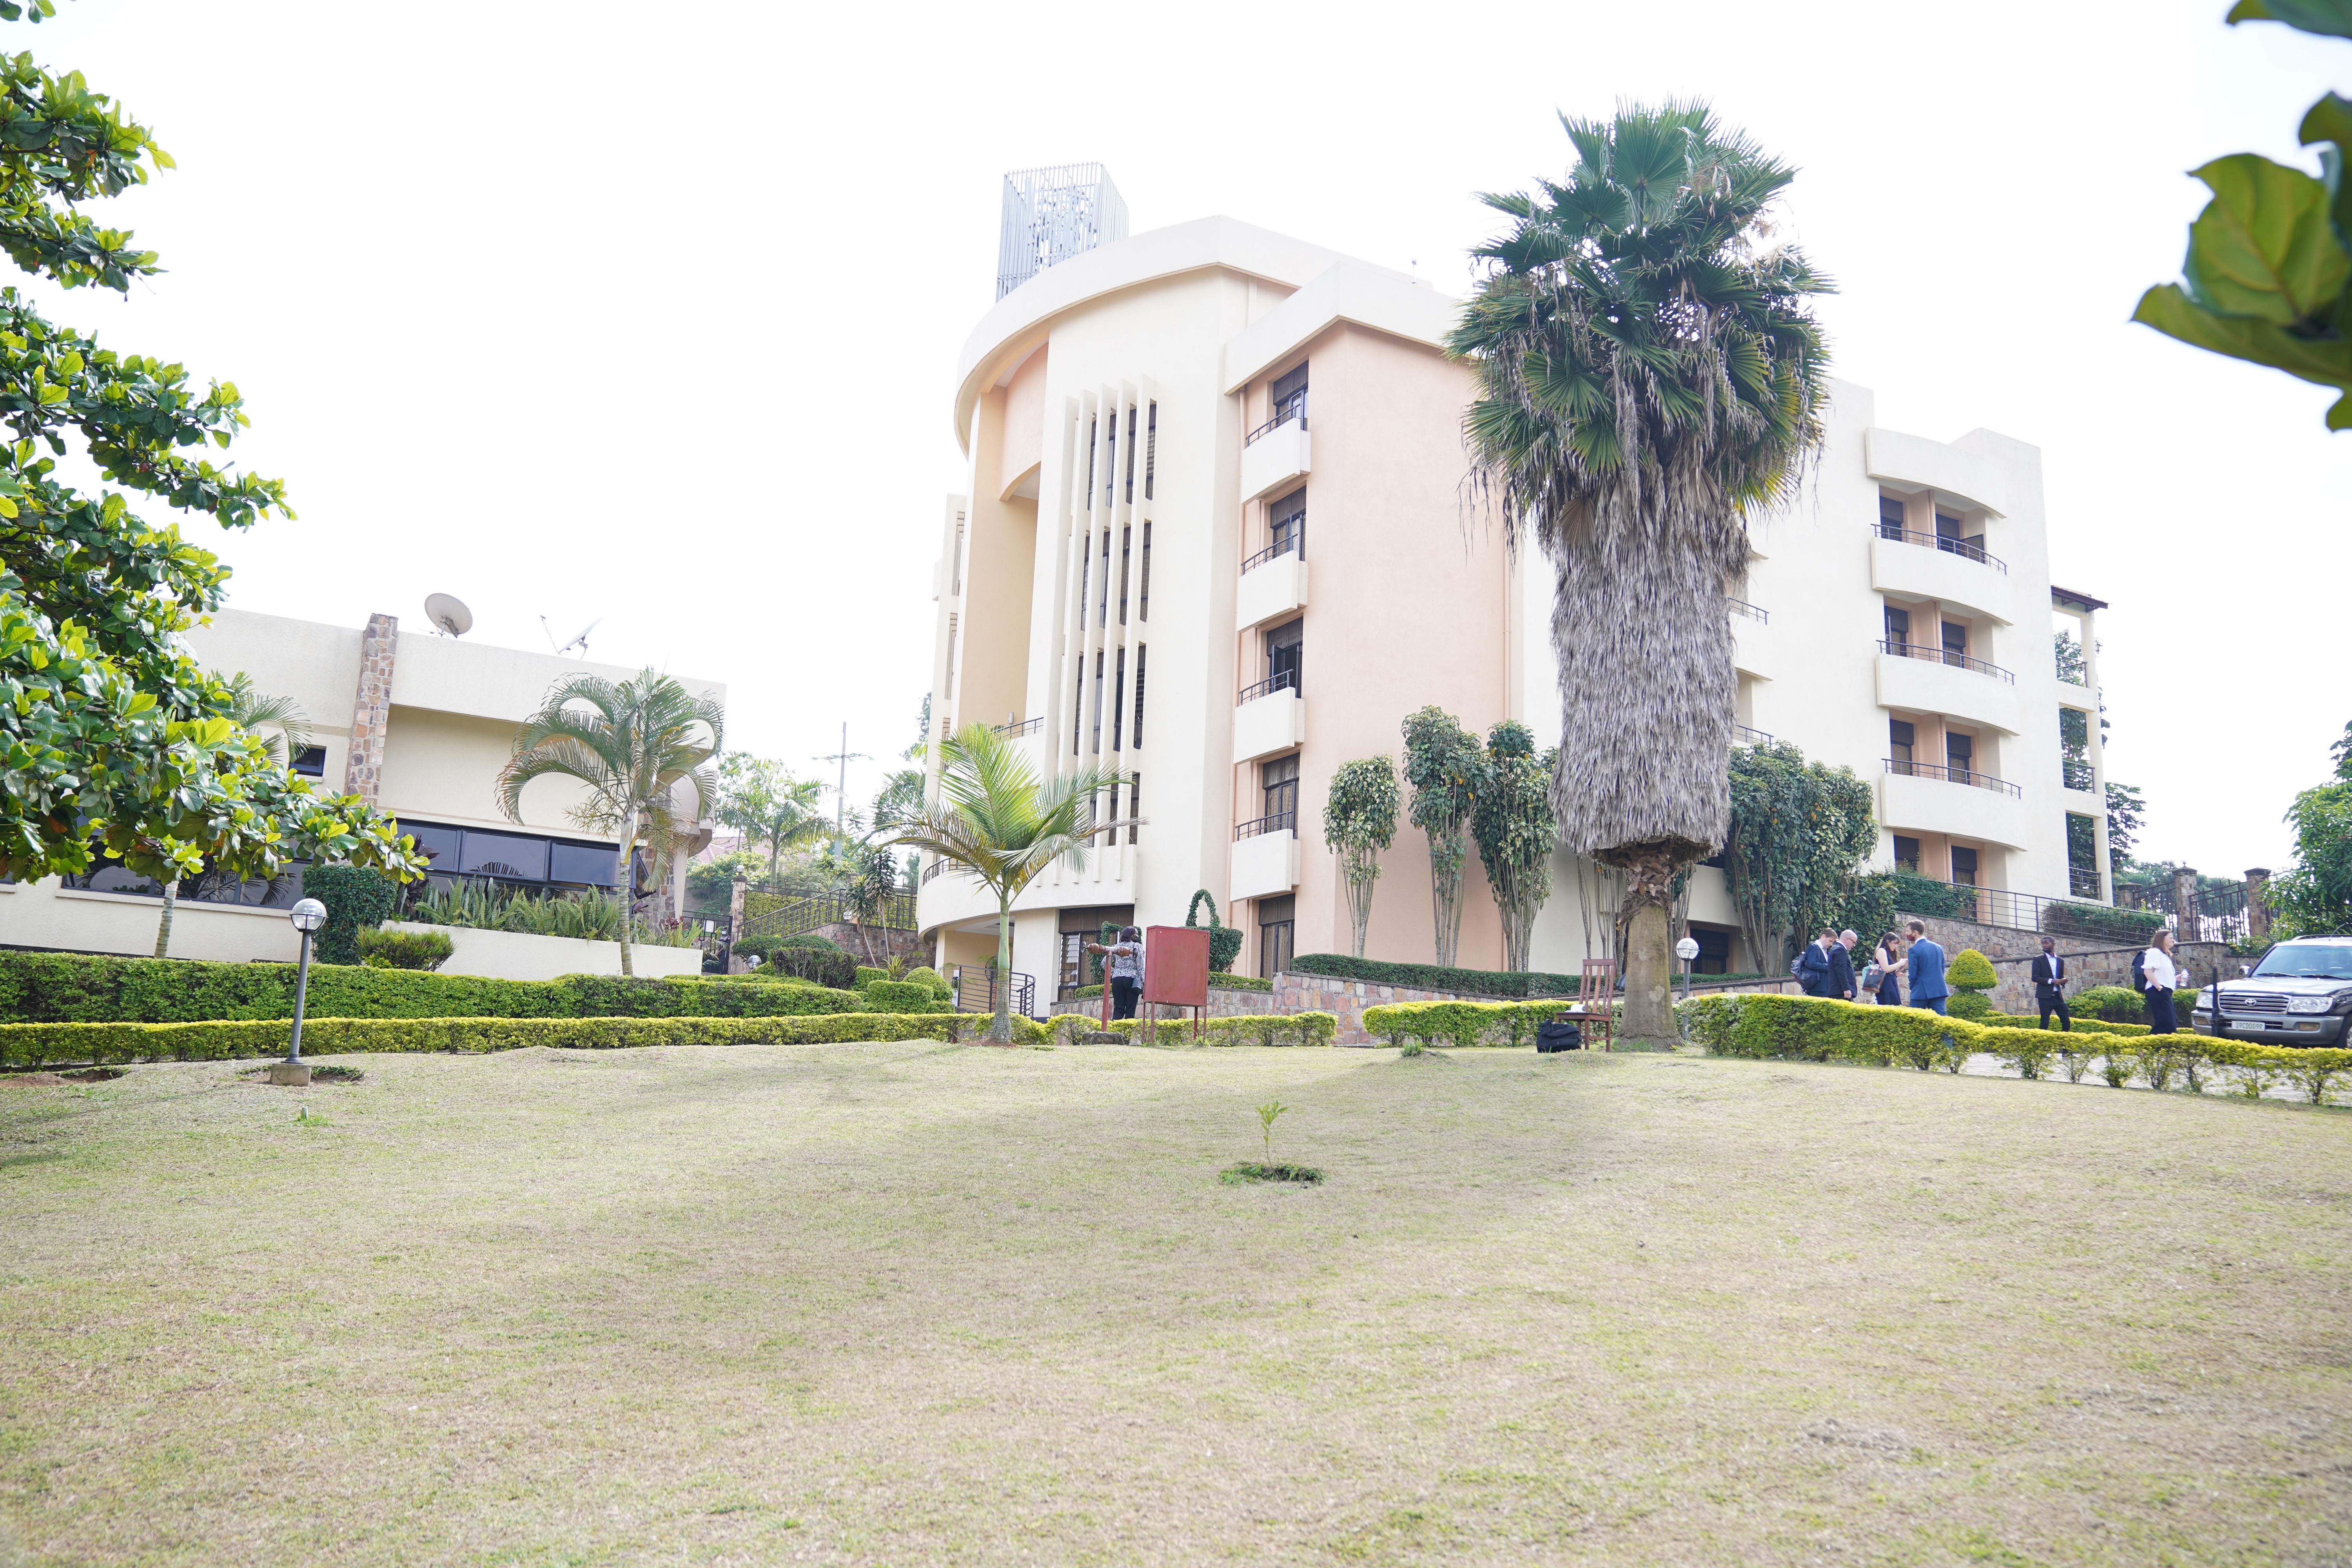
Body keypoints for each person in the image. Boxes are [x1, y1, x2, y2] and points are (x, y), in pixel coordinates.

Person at [2140, 928, 2181, 1034]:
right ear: (2162, 939)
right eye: (2170, 938)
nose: (2173, 940)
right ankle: (2147, 1045)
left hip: (2164, 991)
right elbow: (2148, 972)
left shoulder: (2165, 955)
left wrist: (2177, 978)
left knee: (2170, 1024)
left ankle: (2163, 1048)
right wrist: (2159, 988)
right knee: (2166, 1024)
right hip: (2157, 991)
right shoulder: (2155, 952)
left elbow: (2162, 975)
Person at [1905, 919, 1949, 1015]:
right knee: (1941, 1021)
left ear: (1915, 932)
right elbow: (1942, 969)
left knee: (1914, 1020)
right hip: (1939, 990)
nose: (1906, 933)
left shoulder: (1914, 950)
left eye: (1908, 931)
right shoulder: (1938, 947)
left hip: (1920, 991)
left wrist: (1913, 988)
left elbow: (1913, 974)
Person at [2031, 935, 2072, 1032]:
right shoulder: (2038, 959)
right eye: (2043, 944)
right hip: (2045, 997)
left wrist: (2063, 980)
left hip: (2058, 997)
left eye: (2046, 943)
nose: (2044, 946)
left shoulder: (2060, 960)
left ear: (2053, 945)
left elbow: (2060, 976)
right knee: (2045, 1023)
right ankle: (2042, 1045)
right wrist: (2052, 981)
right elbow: (2035, 978)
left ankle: (2064, 1044)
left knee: (2066, 1021)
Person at [1795, 927, 1836, 996]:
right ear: (1823, 936)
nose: (1831, 944)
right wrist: (1829, 967)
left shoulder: (1824, 950)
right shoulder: (1813, 947)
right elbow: (1812, 964)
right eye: (1830, 941)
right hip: (1817, 988)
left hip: (1823, 988)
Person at [1870, 932, 1904, 1006]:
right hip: (1885, 986)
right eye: (1895, 943)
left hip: (1891, 984)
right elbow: (1886, 969)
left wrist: (1901, 968)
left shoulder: (1889, 953)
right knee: (1888, 1006)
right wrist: (1900, 963)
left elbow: (1891, 974)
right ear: (1888, 941)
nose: (1896, 946)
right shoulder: (1882, 951)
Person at [1828, 928, 1860, 1002]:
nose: (1854, 945)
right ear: (1846, 940)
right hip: (1841, 992)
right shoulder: (1840, 950)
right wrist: (1846, 989)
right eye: (1853, 942)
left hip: (1839, 991)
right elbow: (1841, 971)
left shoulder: (1837, 948)